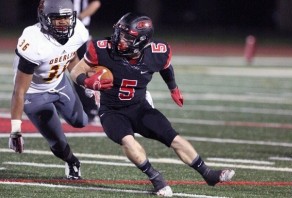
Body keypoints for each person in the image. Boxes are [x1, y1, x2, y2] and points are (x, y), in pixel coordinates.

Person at [70, 12, 235, 196]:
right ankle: (156, 179)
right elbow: (76, 71)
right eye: (119, 33)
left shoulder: (157, 52)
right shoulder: (101, 49)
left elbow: (166, 67)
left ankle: (208, 174)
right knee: (128, 141)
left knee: (174, 138)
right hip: (112, 110)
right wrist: (87, 82)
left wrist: (173, 88)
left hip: (140, 107)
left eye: (126, 37)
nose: (119, 39)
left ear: (141, 41)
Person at [9, 0, 89, 180]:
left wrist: (86, 83)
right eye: (56, 18)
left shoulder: (78, 31)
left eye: (67, 17)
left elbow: (71, 56)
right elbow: (19, 90)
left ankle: (56, 113)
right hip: (34, 94)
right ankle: (72, 161)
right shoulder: (34, 41)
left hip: (59, 84)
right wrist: (15, 130)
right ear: (44, 18)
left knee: (81, 121)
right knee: (58, 143)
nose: (63, 22)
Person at [72, 0, 101, 123]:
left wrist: (78, 17)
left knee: (83, 70)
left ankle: (92, 107)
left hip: (80, 33)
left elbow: (96, 3)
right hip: (61, 32)